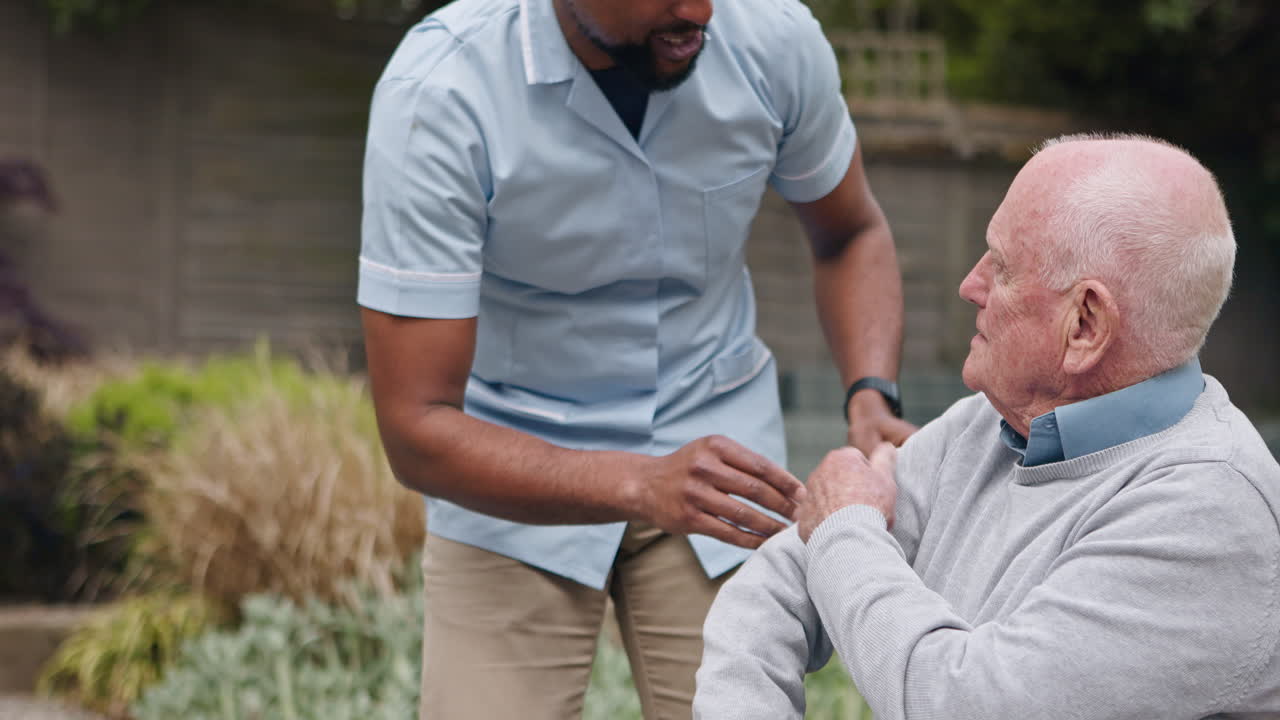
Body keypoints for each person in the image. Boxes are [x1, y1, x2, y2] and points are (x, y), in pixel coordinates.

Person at [356, 0, 915, 717]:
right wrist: (638, 482)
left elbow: (851, 233)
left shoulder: (772, 41)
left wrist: (871, 398)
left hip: (722, 466)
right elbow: (417, 430)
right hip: (508, 468)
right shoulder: (440, 93)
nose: (700, 11)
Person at [694, 134, 1280, 719]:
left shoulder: (1207, 514)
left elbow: (960, 703)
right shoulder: (996, 419)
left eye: (1000, 268)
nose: (969, 286)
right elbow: (772, 590)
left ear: (1085, 324)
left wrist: (845, 524)